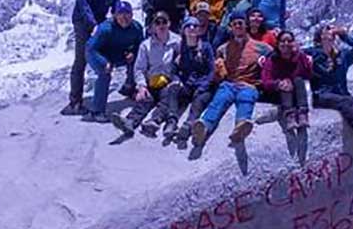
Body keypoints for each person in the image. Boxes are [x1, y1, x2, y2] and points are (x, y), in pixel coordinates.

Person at [192, 12, 272, 148]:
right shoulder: (223, 49)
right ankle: (204, 127)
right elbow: (218, 74)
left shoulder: (262, 48)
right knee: (218, 101)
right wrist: (218, 71)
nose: (237, 26)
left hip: (249, 84)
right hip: (229, 84)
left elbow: (272, 62)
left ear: (246, 25)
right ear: (231, 27)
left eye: (240, 23)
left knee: (246, 99)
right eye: (234, 24)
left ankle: (240, 127)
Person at [65, 0, 120, 115]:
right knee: (81, 58)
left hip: (99, 20)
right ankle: (75, 101)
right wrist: (93, 24)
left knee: (102, 56)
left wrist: (119, 15)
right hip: (83, 21)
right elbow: (83, 3)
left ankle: (99, 96)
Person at [112, 11, 180, 138]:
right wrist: (141, 86)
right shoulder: (146, 45)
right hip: (151, 81)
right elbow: (139, 68)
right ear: (153, 26)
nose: (161, 25)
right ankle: (130, 122)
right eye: (157, 22)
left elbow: (183, 61)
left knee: (167, 97)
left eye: (164, 21)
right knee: (145, 99)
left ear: (169, 23)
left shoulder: (177, 41)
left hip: (168, 82)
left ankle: (154, 121)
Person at [84, 2, 143, 123]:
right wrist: (103, 62)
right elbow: (90, 48)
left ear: (132, 15)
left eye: (127, 14)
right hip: (98, 54)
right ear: (115, 15)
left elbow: (141, 46)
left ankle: (130, 88)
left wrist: (133, 52)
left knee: (136, 60)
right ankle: (97, 111)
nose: (124, 18)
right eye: (120, 14)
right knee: (104, 74)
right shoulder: (105, 29)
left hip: (119, 54)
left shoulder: (136, 28)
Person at [169, 16, 216, 149]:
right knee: (172, 90)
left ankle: (189, 124)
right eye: (188, 26)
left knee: (199, 101)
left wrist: (204, 85)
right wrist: (176, 80)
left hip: (202, 85)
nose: (192, 29)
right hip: (186, 84)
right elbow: (173, 70)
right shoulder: (180, 48)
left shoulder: (206, 48)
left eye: (195, 26)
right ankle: (172, 121)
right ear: (183, 30)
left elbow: (212, 70)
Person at [260, 30, 314, 132]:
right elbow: (266, 81)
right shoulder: (272, 60)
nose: (286, 44)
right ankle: (290, 115)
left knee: (298, 80)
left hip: (297, 93)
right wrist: (278, 84)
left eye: (289, 41)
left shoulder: (300, 56)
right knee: (286, 82)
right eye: (283, 41)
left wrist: (308, 64)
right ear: (278, 43)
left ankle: (303, 113)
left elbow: (308, 74)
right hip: (278, 94)